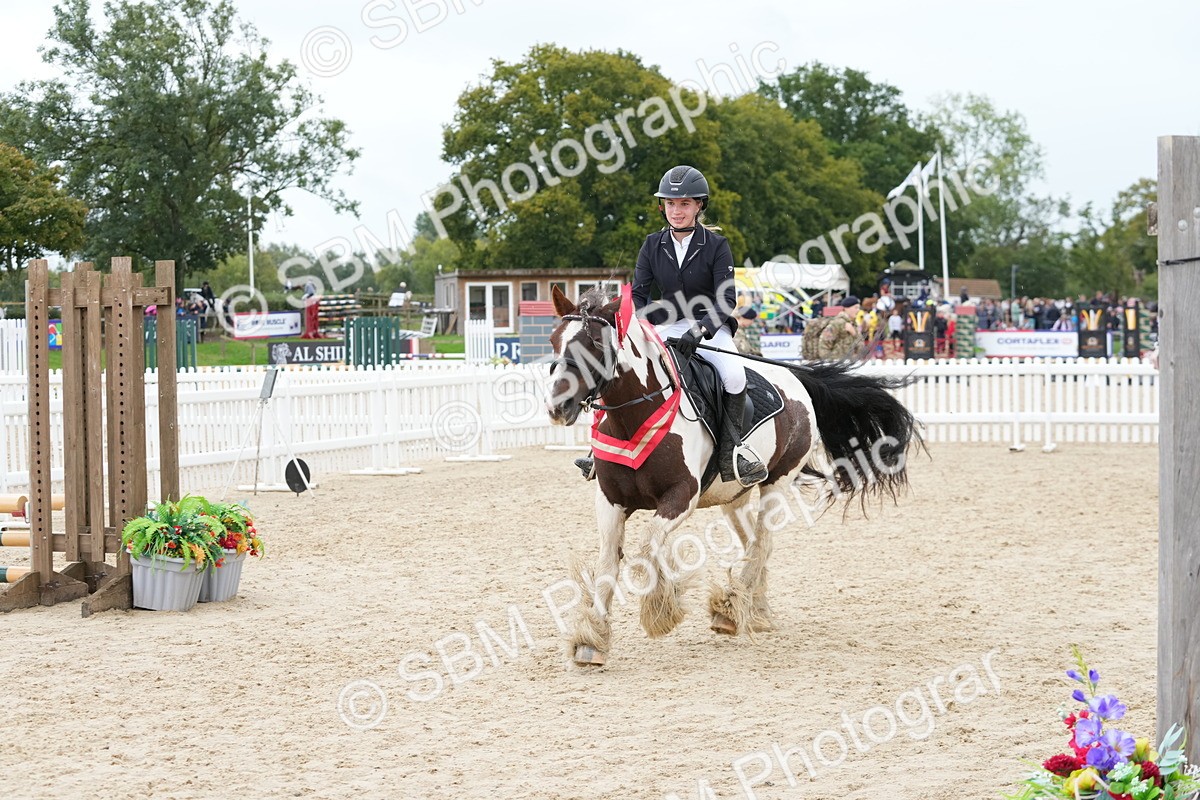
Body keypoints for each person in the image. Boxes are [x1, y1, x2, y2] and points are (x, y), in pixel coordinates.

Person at [629, 165, 768, 487]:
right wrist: (644, 322)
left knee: (733, 377)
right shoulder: (651, 244)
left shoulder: (716, 246)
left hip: (709, 327)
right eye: (671, 204)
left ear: (699, 206)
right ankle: (606, 450)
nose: (676, 211)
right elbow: (638, 292)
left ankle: (733, 449)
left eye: (685, 204)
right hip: (666, 327)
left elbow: (726, 297)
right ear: (662, 206)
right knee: (628, 368)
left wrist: (702, 329)